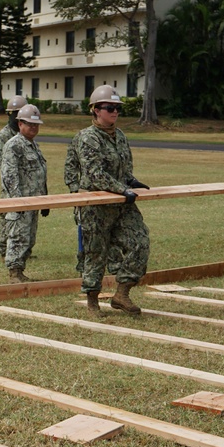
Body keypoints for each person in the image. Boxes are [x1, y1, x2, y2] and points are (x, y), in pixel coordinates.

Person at [68, 85, 150, 317]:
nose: (114, 112)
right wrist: (121, 188)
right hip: (96, 206)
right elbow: (95, 174)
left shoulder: (120, 136)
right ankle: (92, 302)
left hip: (122, 204)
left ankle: (121, 294)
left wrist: (131, 182)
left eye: (117, 108)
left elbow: (124, 168)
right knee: (96, 253)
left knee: (140, 243)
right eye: (109, 108)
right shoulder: (87, 138)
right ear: (94, 110)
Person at [0, 104, 48, 283]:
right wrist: (17, 202)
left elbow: (39, 173)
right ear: (20, 124)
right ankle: (14, 274)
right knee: (18, 237)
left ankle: (20, 272)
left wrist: (44, 200)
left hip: (33, 202)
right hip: (20, 202)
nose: (33, 128)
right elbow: (9, 176)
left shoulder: (33, 145)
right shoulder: (14, 145)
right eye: (29, 124)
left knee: (29, 238)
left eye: (36, 125)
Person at [0, 95, 28, 259]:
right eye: (13, 113)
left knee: (23, 219)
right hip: (10, 182)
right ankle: (3, 247)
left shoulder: (24, 133)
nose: (15, 117)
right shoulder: (4, 134)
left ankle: (22, 249)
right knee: (7, 216)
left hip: (25, 183)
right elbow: (3, 162)